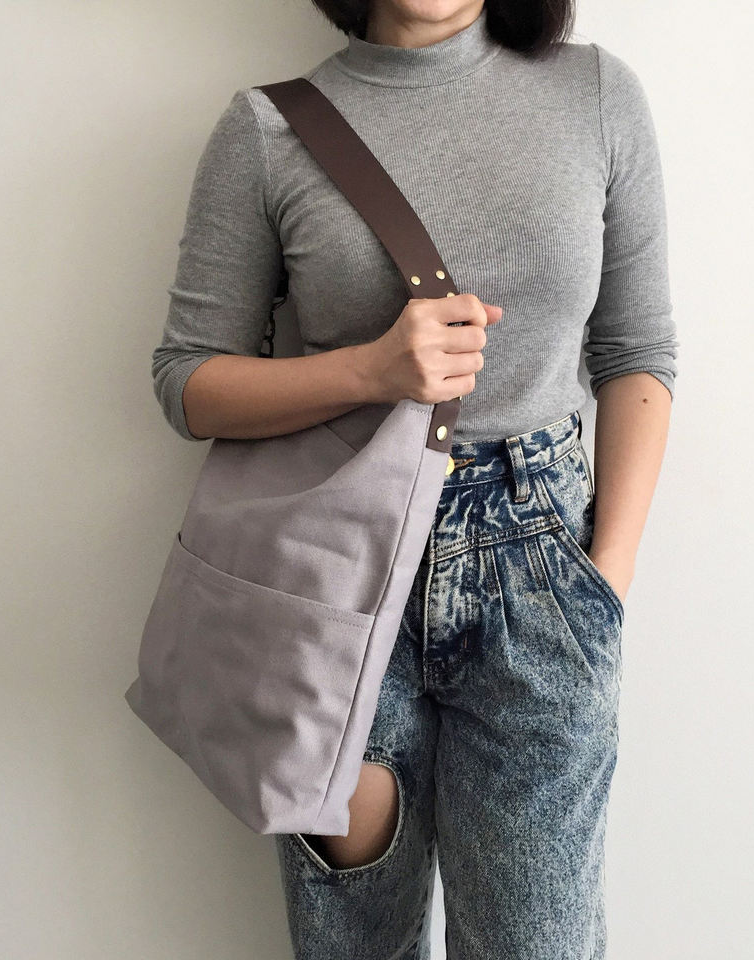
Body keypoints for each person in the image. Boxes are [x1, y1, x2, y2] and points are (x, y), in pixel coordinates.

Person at [152, 0, 678, 956]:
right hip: (337, 576)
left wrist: (608, 576)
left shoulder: (594, 93)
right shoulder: (267, 129)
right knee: (353, 937)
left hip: (545, 569)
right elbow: (188, 382)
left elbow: (637, 351)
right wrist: (370, 372)